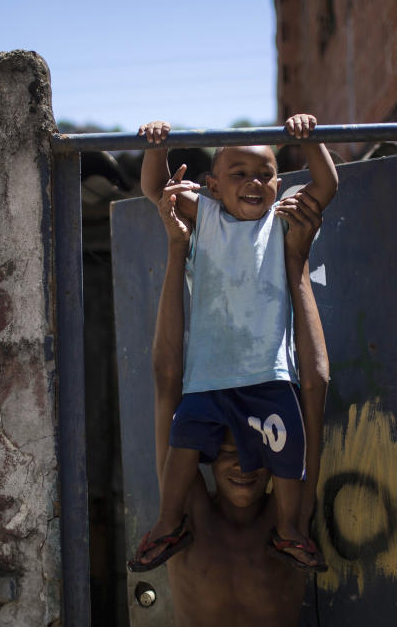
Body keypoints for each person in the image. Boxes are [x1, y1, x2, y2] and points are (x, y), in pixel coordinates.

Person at [129, 115, 338, 574]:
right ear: (212, 186)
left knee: (287, 453)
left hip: (270, 374)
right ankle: (168, 522)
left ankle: (289, 530)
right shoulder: (204, 217)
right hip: (207, 376)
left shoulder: (282, 221)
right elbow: (155, 189)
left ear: (278, 182)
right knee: (182, 446)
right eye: (238, 174)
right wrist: (157, 147)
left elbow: (325, 185)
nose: (253, 183)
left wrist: (310, 138)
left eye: (264, 174)